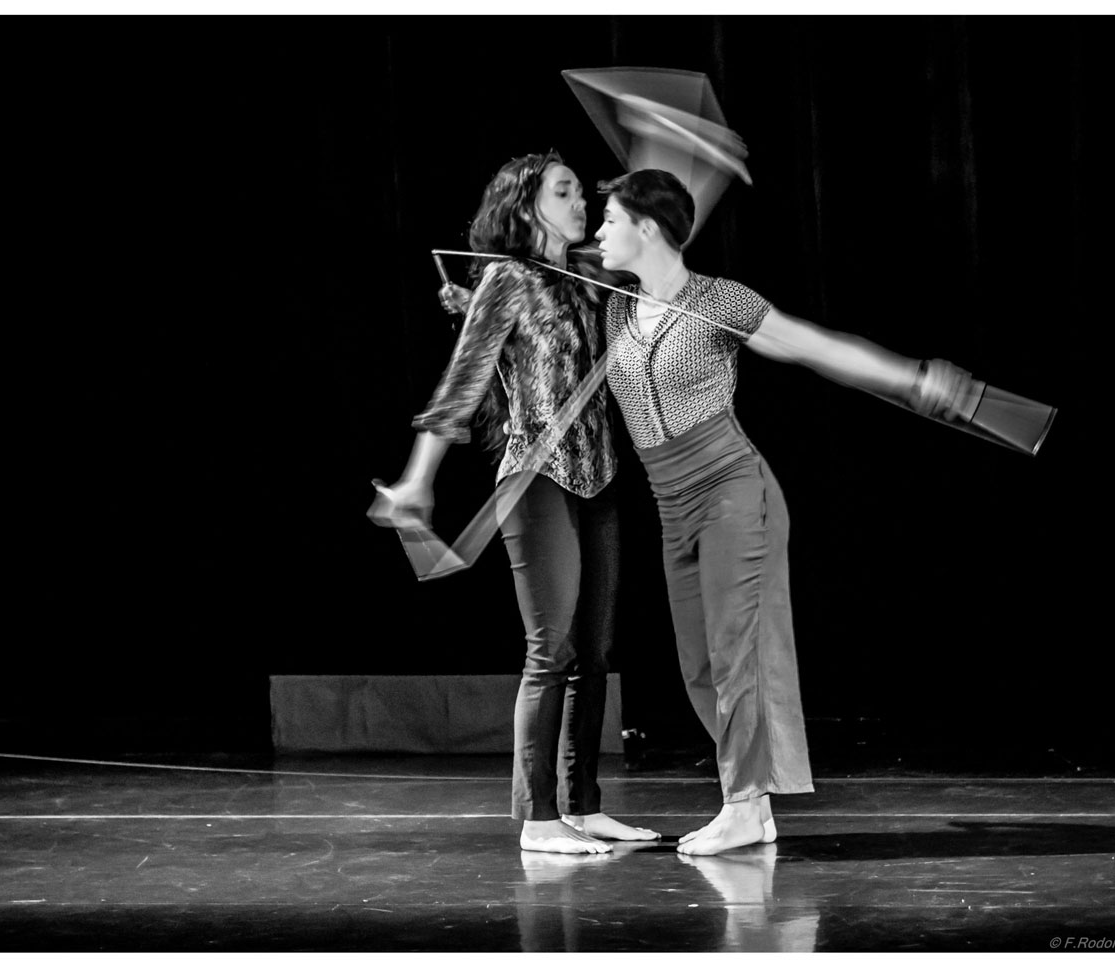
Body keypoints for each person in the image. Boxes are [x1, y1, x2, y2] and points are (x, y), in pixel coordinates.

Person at [592, 168, 974, 855]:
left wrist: (912, 381)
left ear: (646, 229)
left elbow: (814, 346)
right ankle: (754, 804)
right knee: (698, 664)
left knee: (740, 653)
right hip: (668, 499)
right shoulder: (613, 304)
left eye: (611, 220)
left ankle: (742, 804)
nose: (598, 233)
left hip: (732, 489)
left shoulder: (720, 301)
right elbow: (539, 263)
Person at [368, 151, 659, 854]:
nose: (581, 202)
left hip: (599, 472)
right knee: (550, 649)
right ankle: (539, 818)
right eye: (564, 192)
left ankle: (584, 804)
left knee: (596, 650)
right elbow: (462, 383)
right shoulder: (507, 279)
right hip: (536, 475)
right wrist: (418, 480)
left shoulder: (587, 278)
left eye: (580, 192)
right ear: (527, 205)